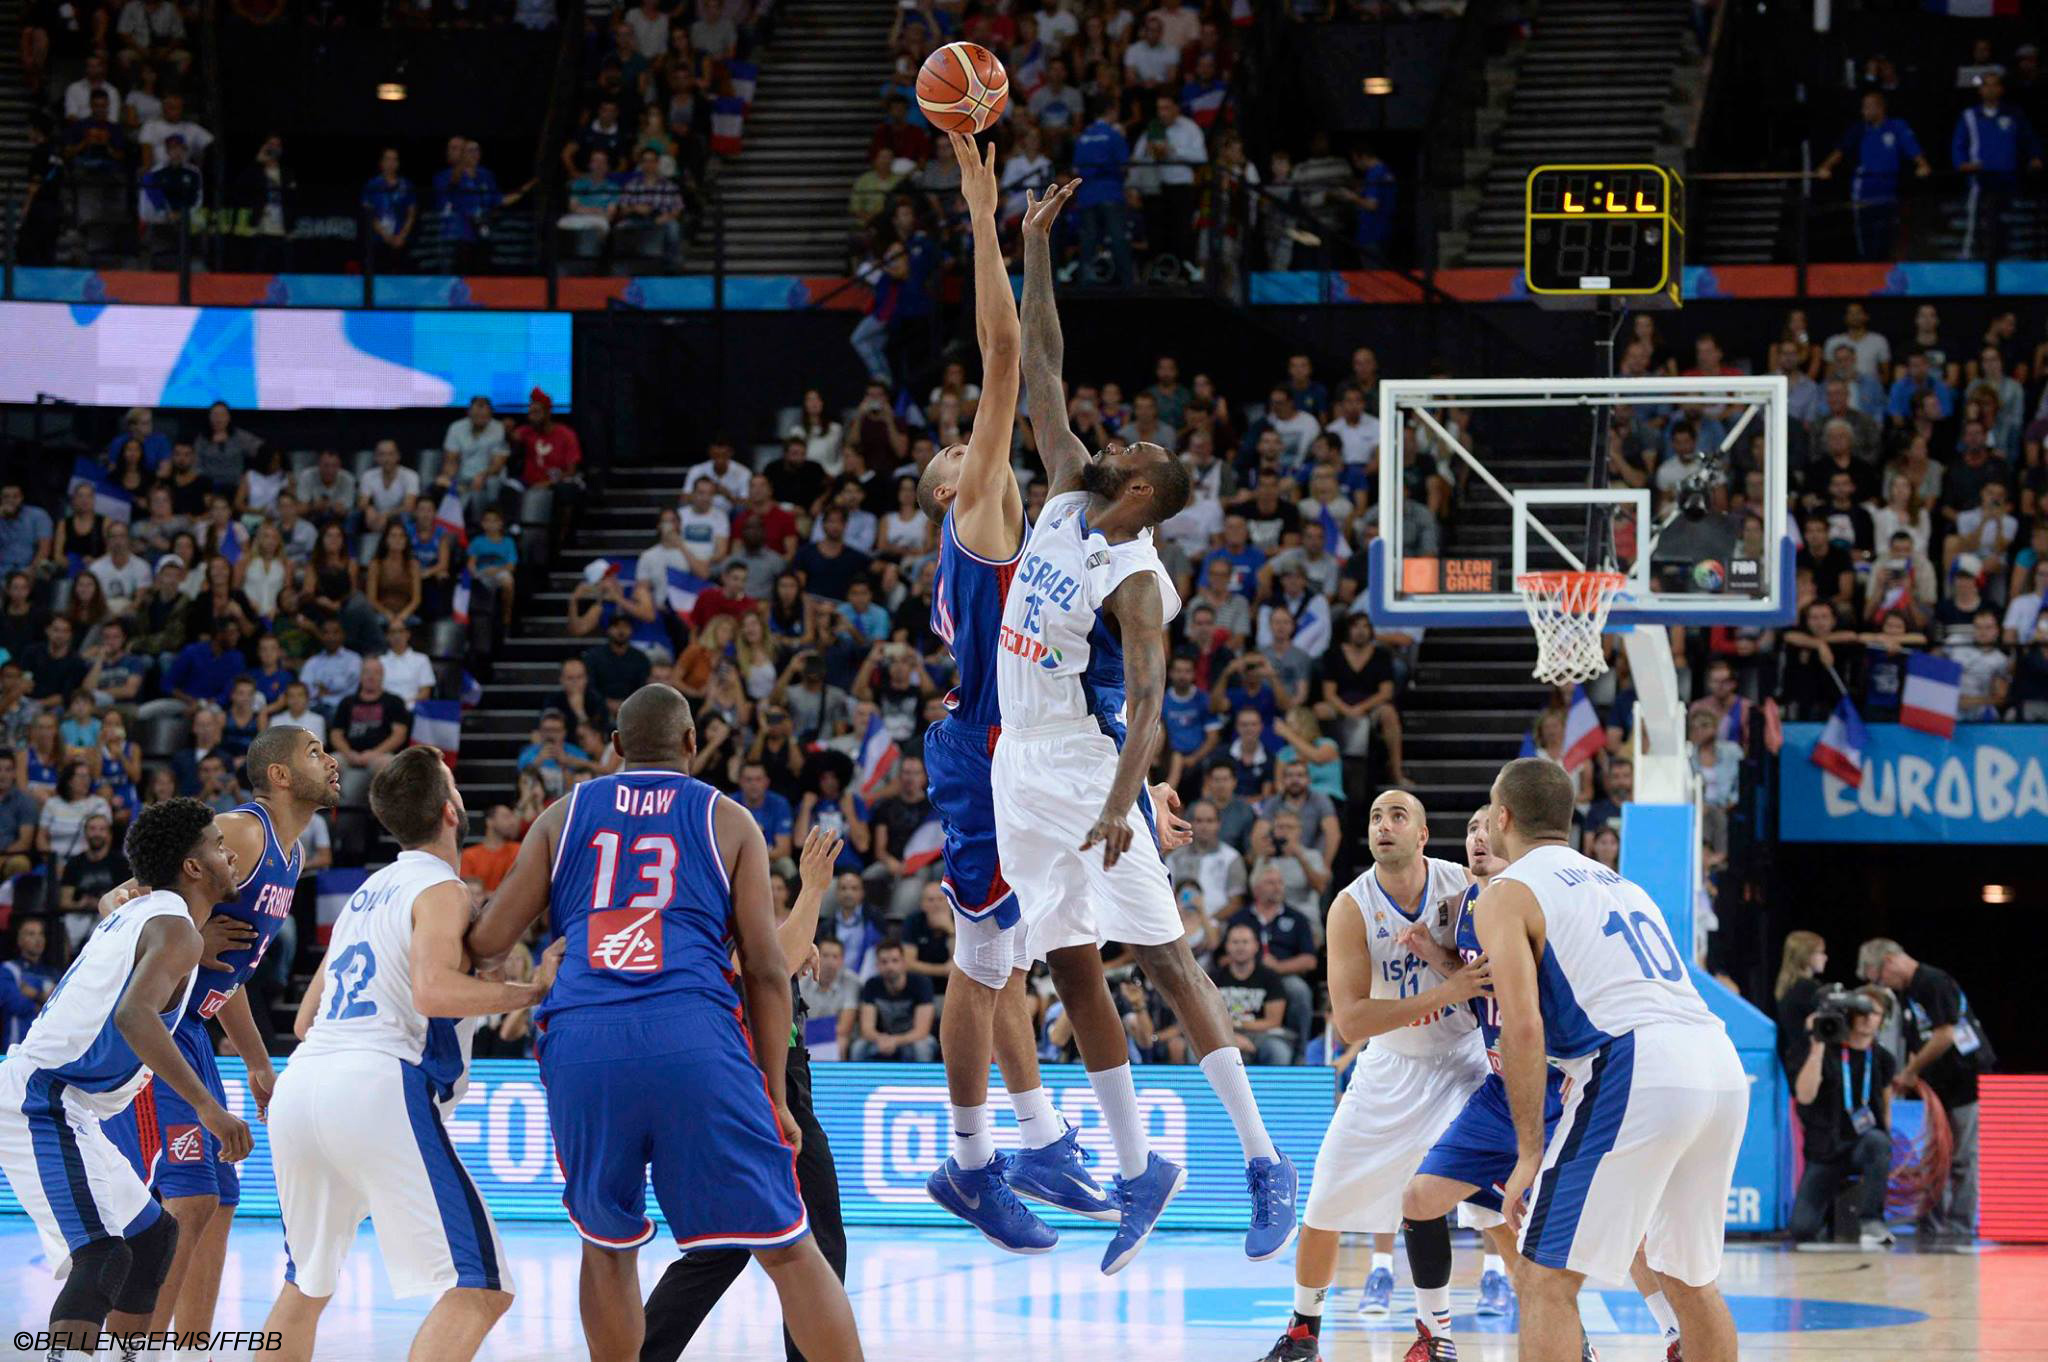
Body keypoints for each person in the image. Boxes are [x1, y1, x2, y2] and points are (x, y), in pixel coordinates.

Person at [996, 175, 1294, 1277]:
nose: (1113, 438)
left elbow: (1152, 709)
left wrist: (1123, 806)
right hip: (1014, 762)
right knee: (1065, 966)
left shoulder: (1135, 576)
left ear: (1147, 490)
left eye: (1134, 448)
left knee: (1164, 961)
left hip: (1081, 772)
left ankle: (1265, 1163)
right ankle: (1132, 1172)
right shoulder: (1070, 485)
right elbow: (1041, 369)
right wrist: (1034, 247)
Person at [467, 684, 863, 1362]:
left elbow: (489, 940)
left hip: (584, 1038)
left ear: (615, 748)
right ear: (690, 744)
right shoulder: (729, 818)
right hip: (695, 1038)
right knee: (791, 1250)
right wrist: (773, 1094)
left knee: (607, 1245)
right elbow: (768, 972)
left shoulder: (562, 817)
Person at [905, 136, 1118, 1251]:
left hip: (1014, 750)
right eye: (964, 452)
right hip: (985, 751)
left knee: (1012, 953)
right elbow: (999, 356)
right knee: (981, 959)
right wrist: (977, 211)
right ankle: (972, 1160)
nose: (976, 448)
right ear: (952, 486)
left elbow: (1036, 365)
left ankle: (1030, 1142)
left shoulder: (1013, 529)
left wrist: (1031, 246)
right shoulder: (977, 509)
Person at [264, 747, 565, 1362]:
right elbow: (432, 992)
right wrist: (530, 990)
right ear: (453, 811)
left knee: (306, 1285)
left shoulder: (366, 893)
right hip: (375, 1084)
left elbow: (301, 1020)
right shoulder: (442, 888)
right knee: (481, 1285)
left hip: (304, 1084)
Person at [1387, 807, 1688, 1360]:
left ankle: (1673, 1331)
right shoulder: (1463, 909)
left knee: (1614, 1225)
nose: (1477, 838)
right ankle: (1437, 1337)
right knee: (1421, 1198)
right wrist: (1438, 955)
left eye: (1487, 827)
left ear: (1511, 832)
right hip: (1499, 1091)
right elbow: (1479, 979)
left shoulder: (1535, 897)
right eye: (1471, 830)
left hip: (1559, 1086)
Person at [1477, 757, 1747, 1362]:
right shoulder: (1620, 882)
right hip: (1718, 1063)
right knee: (1688, 1278)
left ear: (1502, 817)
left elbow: (1522, 1026)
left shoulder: (1506, 892)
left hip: (1638, 1062)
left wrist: (1527, 1152)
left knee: (1546, 1275)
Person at [97, 725, 339, 1342]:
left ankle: (189, 1350)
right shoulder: (242, 832)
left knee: (222, 1198)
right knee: (190, 1198)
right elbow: (114, 904)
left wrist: (258, 1064)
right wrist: (188, 944)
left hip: (196, 1029)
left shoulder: (293, 855)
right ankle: (136, 1350)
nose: (332, 760)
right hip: (154, 1026)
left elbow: (232, 975)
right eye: (314, 751)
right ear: (279, 775)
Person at [0, 798, 250, 1357]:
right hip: (43, 1101)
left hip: (71, 1103)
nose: (228, 852)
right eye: (216, 844)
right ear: (191, 867)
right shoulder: (173, 929)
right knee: (103, 1256)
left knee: (154, 1237)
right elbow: (133, 1015)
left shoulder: (150, 915)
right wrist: (208, 1107)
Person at [1257, 791, 1487, 1362]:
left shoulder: (1463, 886)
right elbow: (1354, 1019)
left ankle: (1467, 1333)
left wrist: (1448, 975)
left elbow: (1487, 974)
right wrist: (1444, 991)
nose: (1384, 825)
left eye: (1397, 815)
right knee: (1325, 1203)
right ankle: (1304, 1330)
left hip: (1463, 1060)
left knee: (1493, 1207)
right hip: (1389, 1066)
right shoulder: (1351, 906)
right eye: (1375, 816)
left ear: (1423, 834)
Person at [641, 827, 852, 1362]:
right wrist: (813, 889)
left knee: (723, 1247)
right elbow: (765, 965)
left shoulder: (728, 925)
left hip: (753, 1089)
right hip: (759, 1096)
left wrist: (796, 942)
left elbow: (775, 963)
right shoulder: (716, 929)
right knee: (816, 1242)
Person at [1858, 937, 1991, 1246]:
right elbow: (1917, 1041)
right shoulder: (1908, 994)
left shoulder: (1934, 982)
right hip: (1937, 1085)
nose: (1882, 984)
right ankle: (1932, 1225)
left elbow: (1945, 1035)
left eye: (1879, 977)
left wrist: (1910, 1072)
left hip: (1963, 1082)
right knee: (1936, 1157)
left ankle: (1958, 1228)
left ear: (1889, 961)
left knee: (1961, 1158)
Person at [1788, 986, 1896, 1249]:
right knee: (1802, 1229)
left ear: (1883, 1019)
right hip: (1826, 1151)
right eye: (1862, 1011)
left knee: (1879, 1142)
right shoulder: (1827, 1048)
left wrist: (1883, 1161)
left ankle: (1872, 1220)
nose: (1868, 1018)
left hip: (1862, 1145)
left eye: (1874, 1013)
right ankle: (1826, 1218)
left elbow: (1885, 1107)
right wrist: (1817, 1047)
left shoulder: (1882, 1058)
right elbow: (1804, 1095)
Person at [850, 938, 937, 1062]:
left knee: (921, 1047)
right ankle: (855, 1081)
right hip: (882, 1039)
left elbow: (921, 1031)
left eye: (894, 961)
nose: (890, 966)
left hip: (912, 1039)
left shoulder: (921, 983)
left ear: (903, 963)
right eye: (884, 962)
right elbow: (866, 1029)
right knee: (858, 1047)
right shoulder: (871, 984)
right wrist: (881, 1039)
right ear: (877, 966)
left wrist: (895, 1040)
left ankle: (922, 1081)